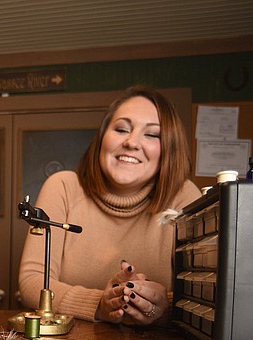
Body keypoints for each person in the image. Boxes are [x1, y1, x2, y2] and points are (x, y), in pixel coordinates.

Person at [18, 86, 201, 326]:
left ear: (169, 149)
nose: (131, 142)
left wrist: (162, 305)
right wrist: (99, 304)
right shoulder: (62, 187)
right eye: (121, 129)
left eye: (152, 134)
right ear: (102, 138)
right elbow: (32, 282)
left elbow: (201, 296)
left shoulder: (184, 196)